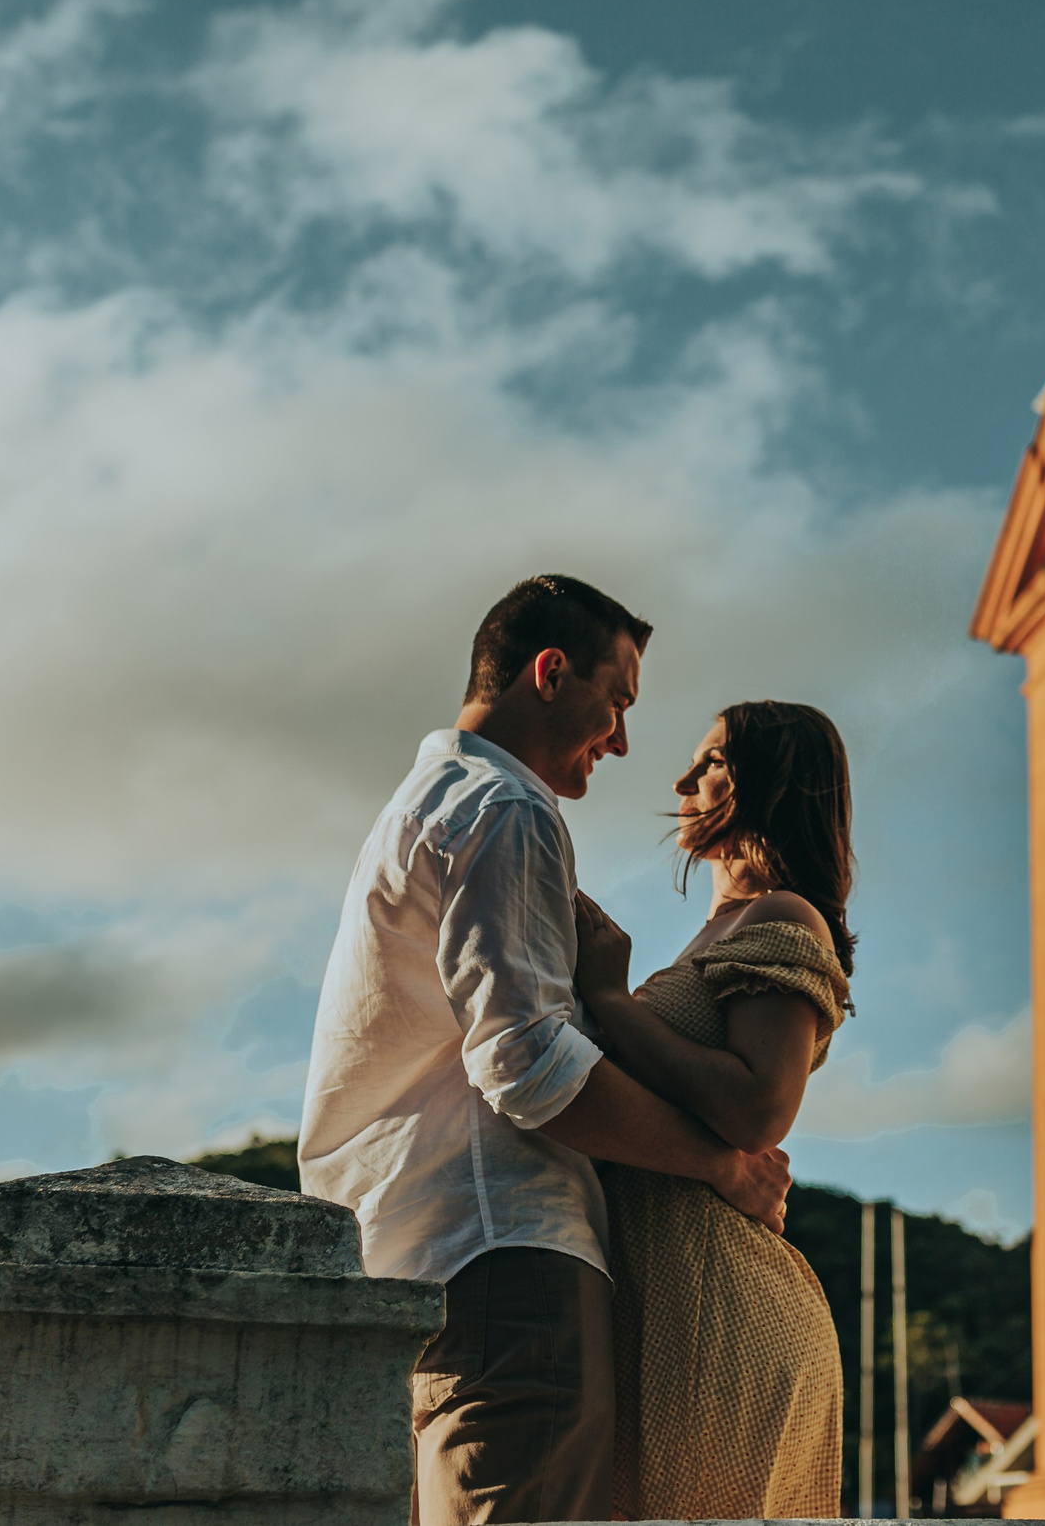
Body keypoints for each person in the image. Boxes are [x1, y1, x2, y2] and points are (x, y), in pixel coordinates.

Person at [297, 575, 792, 1526]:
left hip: (409, 1254)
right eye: (617, 702)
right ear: (550, 672)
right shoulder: (507, 808)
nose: (621, 739)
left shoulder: (420, 805)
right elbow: (526, 1064)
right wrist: (719, 1162)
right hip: (507, 1255)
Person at [571, 700, 859, 1521]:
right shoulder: (717, 933)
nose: (683, 779)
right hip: (666, 1308)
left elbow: (758, 1108)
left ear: (773, 782)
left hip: (719, 1320)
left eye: (714, 761)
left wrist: (608, 1000)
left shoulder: (784, 917)